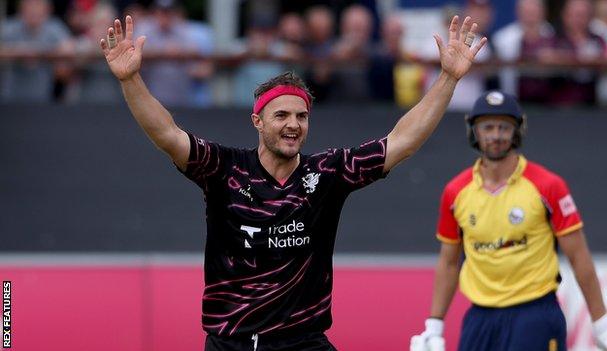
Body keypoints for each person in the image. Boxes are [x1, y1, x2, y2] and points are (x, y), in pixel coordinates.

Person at [100, 14, 487, 351]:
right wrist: (131, 79)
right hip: (233, 341)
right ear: (258, 122)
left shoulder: (328, 173)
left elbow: (400, 142)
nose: (293, 125)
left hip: (304, 341)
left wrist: (449, 78)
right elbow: (167, 134)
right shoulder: (224, 168)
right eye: (281, 115)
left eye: (301, 116)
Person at [409, 91, 607, 351]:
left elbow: (579, 257)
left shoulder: (548, 185)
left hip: (534, 313)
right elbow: (449, 262)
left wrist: (602, 325)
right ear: (474, 131)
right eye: (488, 127)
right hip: (480, 318)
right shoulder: (456, 192)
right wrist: (434, 327)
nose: (496, 135)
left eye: (504, 127)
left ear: (517, 131)